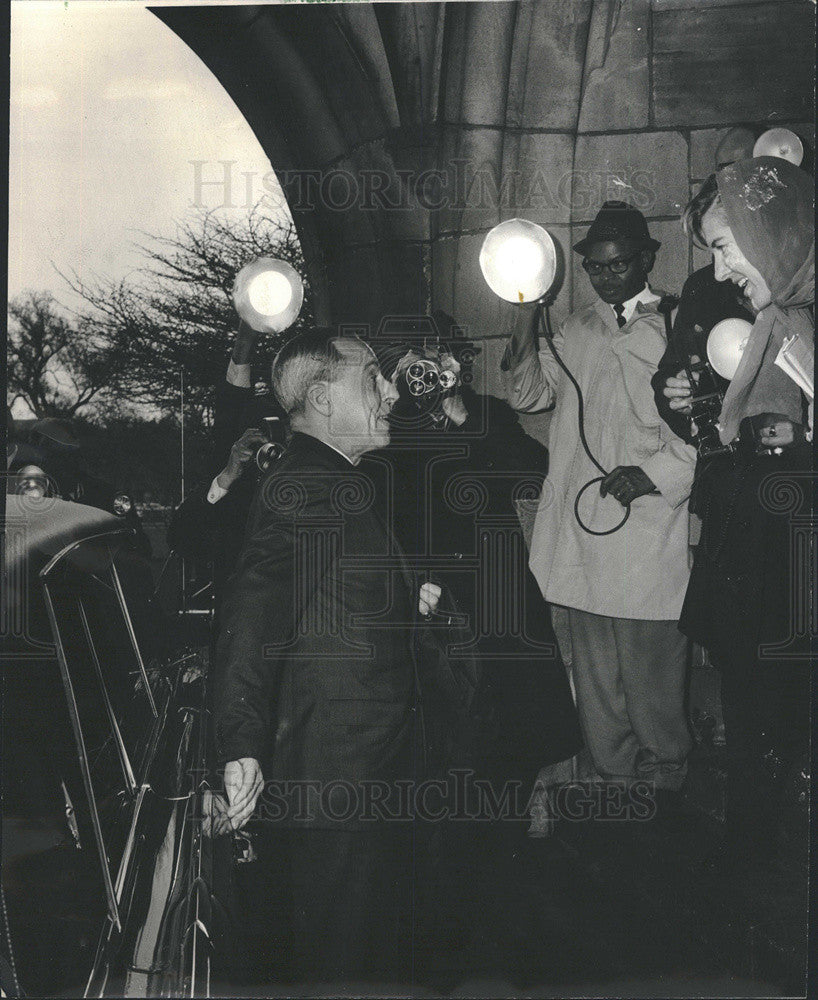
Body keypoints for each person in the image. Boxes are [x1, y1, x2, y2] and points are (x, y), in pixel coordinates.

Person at [213, 328, 475, 984]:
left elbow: (318, 603)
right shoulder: (309, 483)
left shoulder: (333, 477)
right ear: (325, 398)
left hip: (372, 775)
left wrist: (408, 602)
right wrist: (240, 739)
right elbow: (253, 609)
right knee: (346, 965)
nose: (391, 391)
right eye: (373, 379)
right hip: (343, 787)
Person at [502, 201, 696, 800]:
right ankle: (613, 780)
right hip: (586, 530)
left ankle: (665, 782)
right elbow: (528, 394)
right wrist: (524, 312)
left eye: (618, 264)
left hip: (647, 531)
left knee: (651, 673)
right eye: (595, 267)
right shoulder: (577, 330)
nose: (607, 276)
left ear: (645, 260)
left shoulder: (677, 324)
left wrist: (653, 474)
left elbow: (704, 430)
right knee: (596, 673)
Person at [660, 157, 813, 870]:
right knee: (758, 715)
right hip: (767, 572)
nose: (719, 273)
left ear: (768, 232)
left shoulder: (799, 325)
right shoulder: (780, 321)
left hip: (794, 578)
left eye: (724, 246)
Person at [380, 317, 582, 815]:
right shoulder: (385, 424)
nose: (441, 366)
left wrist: (461, 416)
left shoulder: (485, 412)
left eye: (449, 354)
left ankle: (510, 827)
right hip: (435, 597)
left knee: (520, 726)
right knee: (452, 733)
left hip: (500, 590)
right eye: (424, 357)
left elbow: (535, 473)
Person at [652, 127, 757, 444]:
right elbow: (671, 372)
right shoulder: (702, 286)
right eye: (725, 171)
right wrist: (678, 396)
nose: (721, 271)